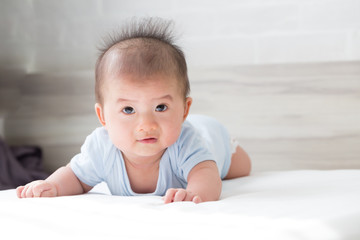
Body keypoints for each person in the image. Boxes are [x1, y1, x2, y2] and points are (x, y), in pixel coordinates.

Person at [16, 17, 251, 203]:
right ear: (103, 116)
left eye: (160, 107)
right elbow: (76, 176)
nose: (146, 124)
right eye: (128, 109)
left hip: (213, 136)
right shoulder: (102, 148)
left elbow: (206, 174)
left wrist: (195, 194)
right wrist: (53, 185)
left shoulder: (186, 141)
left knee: (242, 168)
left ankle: (230, 145)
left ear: (184, 110)